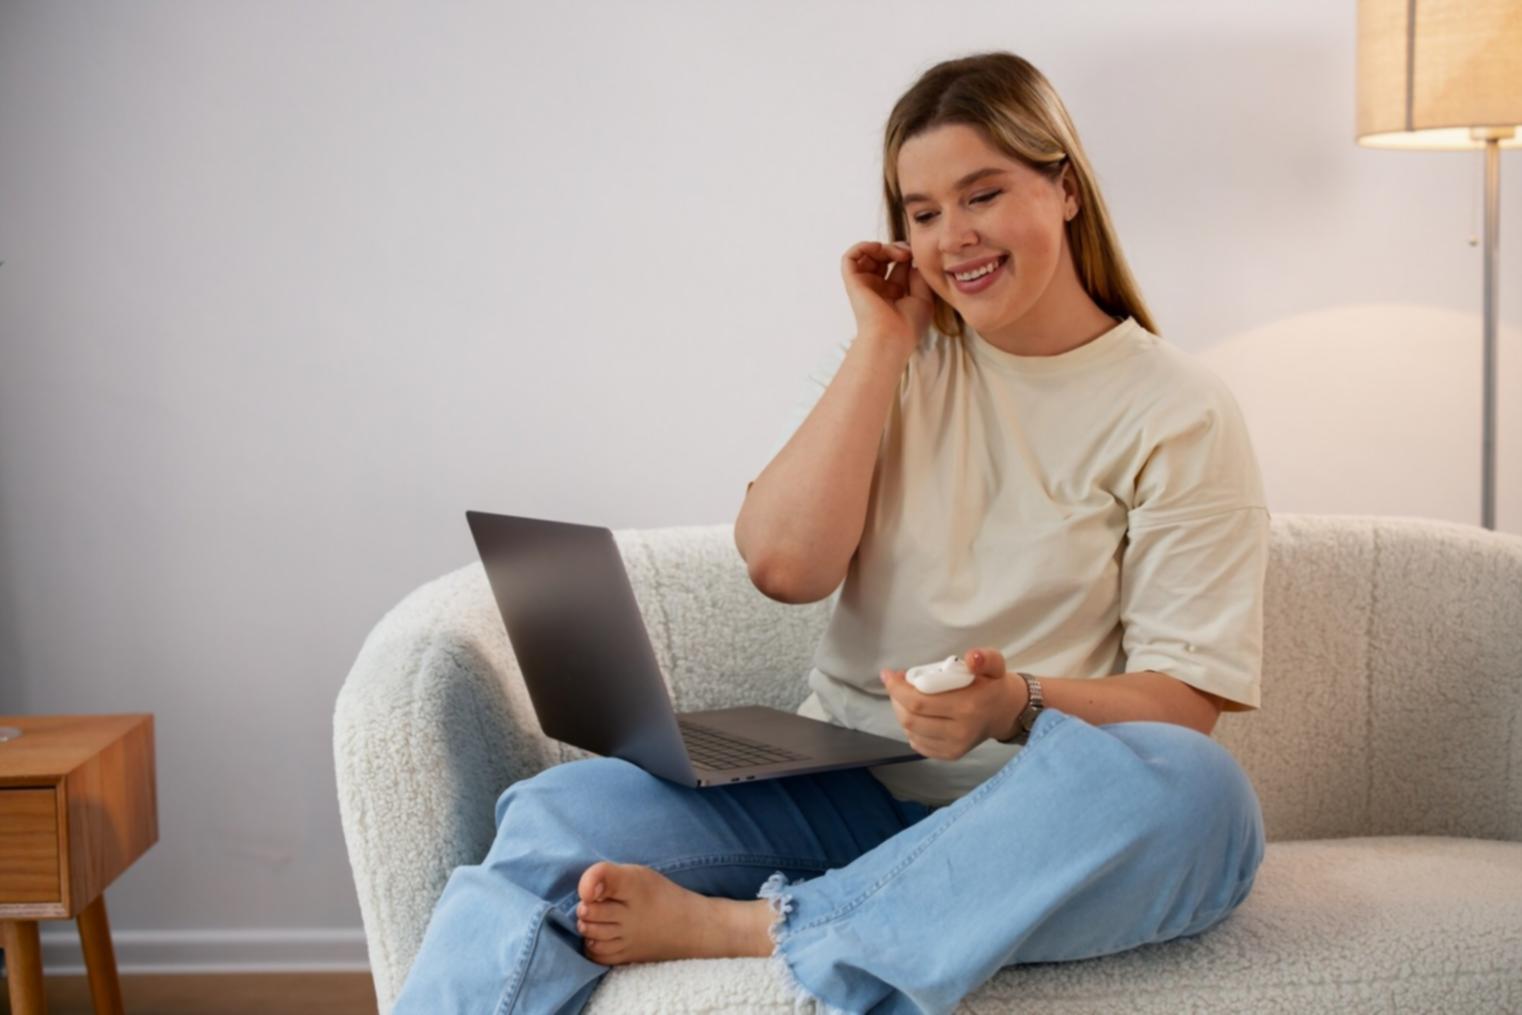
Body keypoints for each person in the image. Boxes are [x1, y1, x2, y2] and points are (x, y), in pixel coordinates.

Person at [393, 50, 1268, 1015]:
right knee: (555, 814)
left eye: (982, 194)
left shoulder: (1177, 408)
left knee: (1201, 795)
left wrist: (1014, 703)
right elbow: (783, 563)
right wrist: (882, 344)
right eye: (922, 212)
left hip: (1030, 817)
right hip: (847, 787)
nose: (953, 237)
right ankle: (865, 918)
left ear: (1065, 189)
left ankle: (770, 926)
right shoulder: (896, 362)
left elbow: (1183, 703)